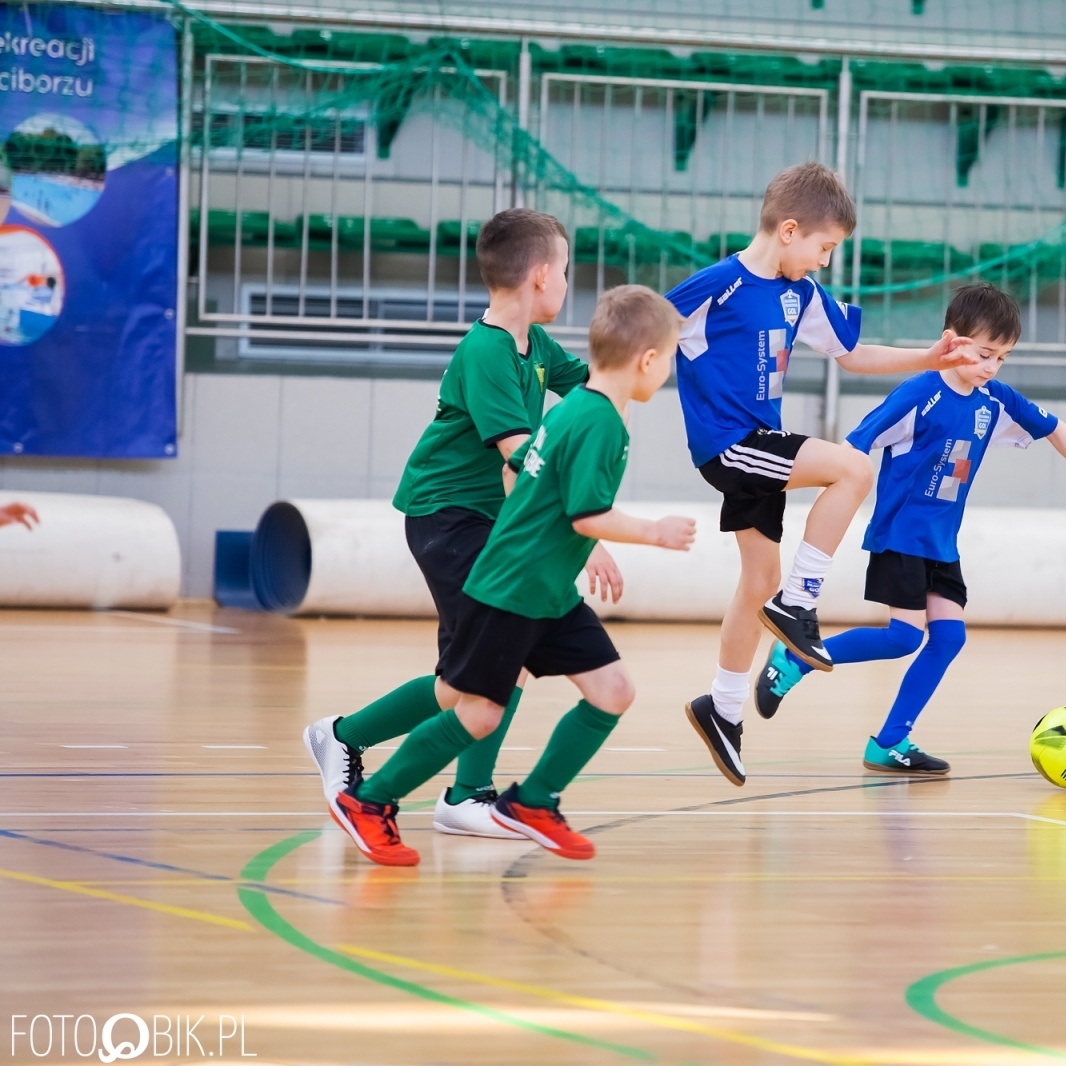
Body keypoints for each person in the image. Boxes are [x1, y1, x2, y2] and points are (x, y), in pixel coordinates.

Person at [329, 285, 694, 867]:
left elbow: (532, 489)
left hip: (546, 591)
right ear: (647, 361)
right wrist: (656, 531)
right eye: (671, 358)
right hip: (511, 591)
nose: (669, 372)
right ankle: (369, 801)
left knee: (613, 690)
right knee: (477, 712)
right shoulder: (599, 422)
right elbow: (585, 515)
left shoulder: (576, 409)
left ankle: (535, 801)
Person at [303, 209, 623, 839]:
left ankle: (351, 740)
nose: (567, 281)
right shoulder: (487, 352)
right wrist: (585, 533)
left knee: (470, 679)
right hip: (448, 518)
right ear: (538, 276)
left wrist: (660, 351)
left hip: (491, 523)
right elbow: (525, 459)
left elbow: (596, 382)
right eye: (564, 269)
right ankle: (454, 790)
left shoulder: (535, 345)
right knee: (493, 668)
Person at [665, 162, 978, 786]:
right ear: (788, 231)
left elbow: (851, 354)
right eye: (824, 248)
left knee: (756, 580)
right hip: (732, 445)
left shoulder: (798, 293)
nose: (825, 263)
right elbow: (634, 338)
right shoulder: (716, 286)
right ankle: (800, 603)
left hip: (763, 448)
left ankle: (722, 709)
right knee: (852, 468)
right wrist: (596, 401)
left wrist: (930, 356)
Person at [754, 283, 1066, 774]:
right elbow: (851, 449)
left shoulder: (994, 400)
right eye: (985, 353)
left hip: (941, 544)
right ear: (952, 340)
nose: (992, 367)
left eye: (1003, 358)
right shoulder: (919, 392)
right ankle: (796, 661)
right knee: (904, 639)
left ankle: (888, 742)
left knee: (948, 638)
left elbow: (1055, 427)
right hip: (902, 536)